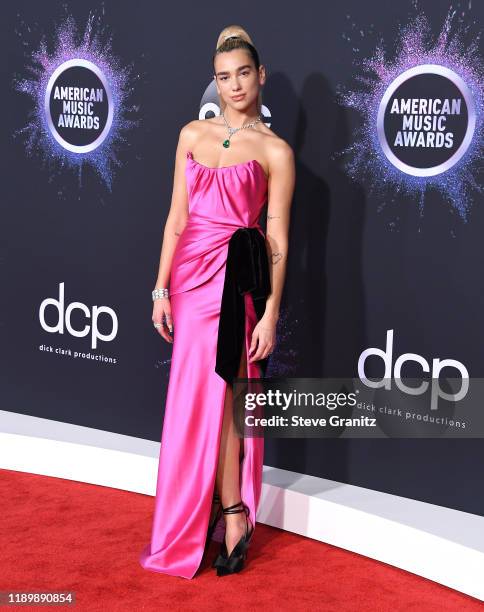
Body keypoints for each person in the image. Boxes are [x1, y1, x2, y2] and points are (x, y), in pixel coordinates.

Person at [139, 25, 295, 579]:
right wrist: (160, 288)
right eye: (224, 77)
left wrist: (271, 311)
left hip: (239, 278)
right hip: (189, 278)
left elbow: (276, 238)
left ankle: (232, 514)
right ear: (215, 81)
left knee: (232, 391)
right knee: (197, 399)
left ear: (261, 76)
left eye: (244, 74)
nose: (235, 85)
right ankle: (219, 515)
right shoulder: (191, 135)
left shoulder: (275, 150)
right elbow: (176, 218)